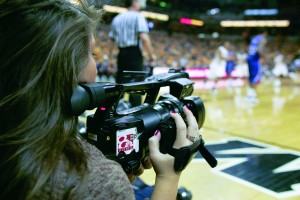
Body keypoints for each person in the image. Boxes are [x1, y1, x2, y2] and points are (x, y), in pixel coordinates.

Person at [0, 0, 200, 199]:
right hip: (135, 57)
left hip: (122, 59)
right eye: (92, 53)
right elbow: (145, 39)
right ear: (67, 68)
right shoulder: (99, 179)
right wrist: (169, 176)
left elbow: (113, 44)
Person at [108, 0, 157, 106]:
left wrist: (110, 58)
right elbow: (144, 38)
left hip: (121, 54)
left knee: (119, 85)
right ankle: (133, 114)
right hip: (134, 53)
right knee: (136, 86)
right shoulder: (138, 16)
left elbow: (112, 41)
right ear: (134, 2)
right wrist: (152, 55)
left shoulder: (117, 19)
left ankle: (114, 110)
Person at [246, 29, 268, 103]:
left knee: (251, 78)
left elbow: (249, 49)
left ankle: (250, 94)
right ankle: (251, 97)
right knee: (256, 79)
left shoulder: (254, 38)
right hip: (255, 59)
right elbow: (259, 50)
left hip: (249, 58)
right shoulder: (262, 39)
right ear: (265, 33)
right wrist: (263, 58)